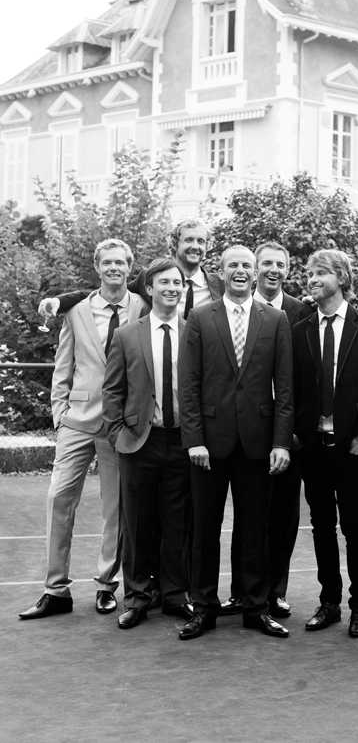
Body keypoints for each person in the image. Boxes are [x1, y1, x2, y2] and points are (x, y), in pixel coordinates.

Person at [19, 239, 145, 620]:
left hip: (119, 423)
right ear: (97, 267)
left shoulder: (142, 306)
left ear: (129, 268)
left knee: (115, 508)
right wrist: (59, 414)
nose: (114, 268)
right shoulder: (76, 310)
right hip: (77, 419)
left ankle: (107, 586)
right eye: (107, 262)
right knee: (59, 498)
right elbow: (63, 363)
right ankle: (55, 589)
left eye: (121, 262)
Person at [178, 245, 294, 640]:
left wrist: (281, 442)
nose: (241, 271)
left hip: (258, 443)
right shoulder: (199, 317)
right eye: (233, 266)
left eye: (247, 265)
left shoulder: (275, 319)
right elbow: (188, 384)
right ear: (221, 273)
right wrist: (193, 439)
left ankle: (254, 606)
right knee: (204, 527)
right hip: (209, 444)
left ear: (255, 272)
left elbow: (286, 387)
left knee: (254, 528)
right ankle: (204, 607)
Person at [293, 249, 358, 638]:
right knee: (320, 525)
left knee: (354, 526)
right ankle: (329, 602)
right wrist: (298, 432)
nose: (311, 279)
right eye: (309, 273)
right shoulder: (299, 328)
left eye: (320, 273)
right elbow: (294, 388)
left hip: (352, 447)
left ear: (342, 278)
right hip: (313, 446)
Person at [221, 242, 310, 620]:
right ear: (255, 269)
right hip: (244, 431)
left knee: (284, 516)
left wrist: (293, 431)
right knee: (246, 515)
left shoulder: (301, 312)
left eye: (281, 264)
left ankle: (276, 590)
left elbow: (304, 376)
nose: (273, 269)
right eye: (267, 263)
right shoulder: (233, 308)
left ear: (288, 270)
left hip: (286, 433)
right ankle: (241, 591)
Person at [103, 257, 192, 629]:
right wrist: (117, 434)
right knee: (138, 524)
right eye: (164, 282)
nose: (172, 288)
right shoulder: (126, 335)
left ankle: (174, 594)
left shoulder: (195, 332)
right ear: (150, 288)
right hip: (139, 441)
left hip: (184, 442)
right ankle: (137, 597)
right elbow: (112, 391)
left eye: (178, 283)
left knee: (178, 523)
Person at [37, 218, 223, 318]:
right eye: (189, 240)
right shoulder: (151, 277)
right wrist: (59, 302)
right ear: (175, 244)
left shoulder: (218, 285)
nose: (196, 246)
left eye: (201, 241)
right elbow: (108, 294)